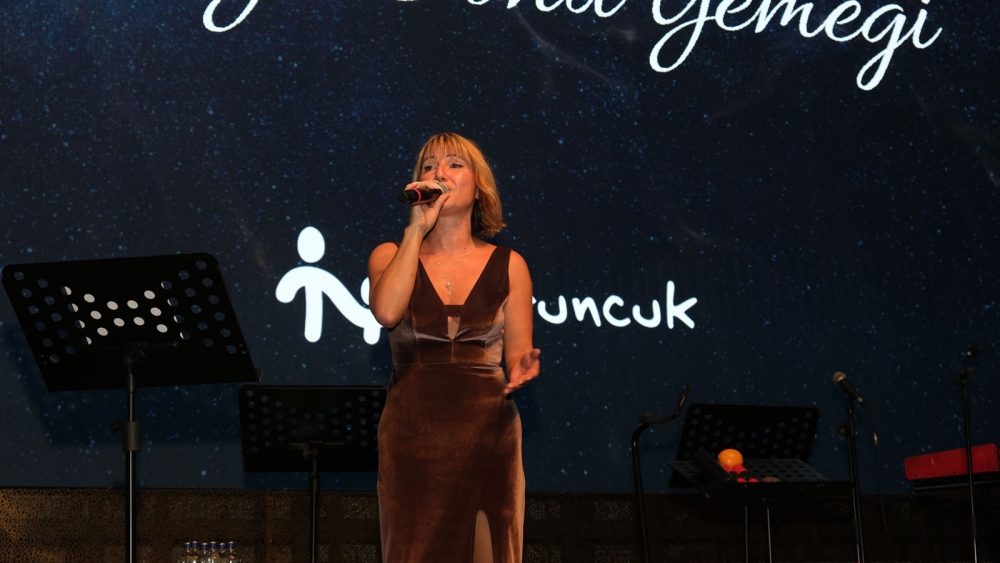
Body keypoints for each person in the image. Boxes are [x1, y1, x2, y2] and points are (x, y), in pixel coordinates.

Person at [368, 132, 541, 563]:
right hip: (412, 435)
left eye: (454, 164)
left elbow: (518, 353)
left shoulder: (510, 264)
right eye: (429, 166)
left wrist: (523, 366)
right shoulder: (388, 254)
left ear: (478, 187)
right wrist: (416, 230)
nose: (439, 172)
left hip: (488, 435)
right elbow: (387, 312)